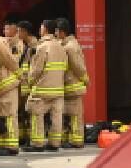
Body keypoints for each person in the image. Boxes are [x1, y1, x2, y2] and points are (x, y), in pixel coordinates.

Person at [25, 21, 67, 153]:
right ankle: (54, 143)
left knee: (36, 113)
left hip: (43, 88)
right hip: (58, 88)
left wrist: (30, 81)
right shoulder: (61, 46)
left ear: (45, 30)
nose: (40, 29)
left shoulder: (42, 47)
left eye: (41, 27)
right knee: (56, 116)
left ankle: (38, 143)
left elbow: (36, 69)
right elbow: (65, 67)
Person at [0, 17, 22, 156]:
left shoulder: (14, 45)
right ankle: (2, 142)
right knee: (1, 116)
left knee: (9, 115)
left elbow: (11, 62)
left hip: (8, 84)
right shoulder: (1, 43)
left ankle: (11, 145)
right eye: (4, 28)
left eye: (8, 28)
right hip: (1, 85)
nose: (5, 31)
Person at [59, 18, 90, 148]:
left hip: (73, 85)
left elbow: (77, 66)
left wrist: (85, 78)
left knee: (75, 115)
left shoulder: (69, 47)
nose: (55, 33)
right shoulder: (70, 44)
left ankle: (77, 140)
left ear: (62, 32)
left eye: (57, 31)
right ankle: (70, 139)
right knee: (69, 115)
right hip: (71, 85)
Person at [15, 20, 39, 147]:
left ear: (25, 32)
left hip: (30, 86)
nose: (17, 34)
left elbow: (34, 67)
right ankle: (23, 137)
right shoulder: (24, 45)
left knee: (30, 112)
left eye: (19, 31)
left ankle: (31, 138)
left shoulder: (35, 46)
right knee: (22, 112)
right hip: (22, 85)